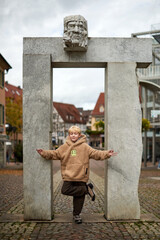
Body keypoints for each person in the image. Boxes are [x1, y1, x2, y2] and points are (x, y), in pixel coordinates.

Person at [36, 125, 117, 224]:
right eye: (71, 134)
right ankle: (87, 189)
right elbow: (55, 154)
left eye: (75, 134)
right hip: (68, 175)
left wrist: (107, 154)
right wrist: (43, 153)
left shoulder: (85, 147)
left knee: (79, 197)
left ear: (79, 135)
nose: (73, 135)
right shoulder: (64, 147)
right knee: (65, 190)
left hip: (81, 174)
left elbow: (96, 153)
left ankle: (76, 215)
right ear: (69, 135)